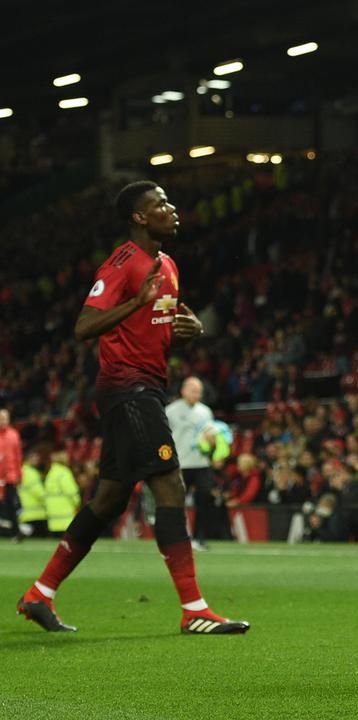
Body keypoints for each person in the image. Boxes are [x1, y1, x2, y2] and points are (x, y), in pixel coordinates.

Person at [16, 181, 249, 635]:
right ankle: (194, 609)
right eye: (160, 204)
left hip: (147, 386)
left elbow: (162, 325)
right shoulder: (121, 265)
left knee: (108, 500)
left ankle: (39, 594)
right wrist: (134, 302)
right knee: (169, 485)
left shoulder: (168, 264)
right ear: (139, 218)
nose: (172, 209)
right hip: (128, 388)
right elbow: (84, 326)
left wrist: (191, 329)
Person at [165, 376, 215, 550]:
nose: (197, 394)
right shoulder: (171, 411)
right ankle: (176, 537)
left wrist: (212, 442)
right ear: (183, 390)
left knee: (205, 497)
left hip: (201, 462)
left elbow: (211, 436)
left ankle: (199, 537)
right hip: (180, 464)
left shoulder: (205, 412)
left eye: (199, 391)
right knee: (176, 502)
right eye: (194, 390)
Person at [0, 408, 24, 539]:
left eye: (4, 418)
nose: (2, 420)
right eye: (0, 418)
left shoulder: (13, 435)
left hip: (10, 476)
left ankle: (15, 531)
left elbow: (18, 456)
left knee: (11, 504)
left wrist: (20, 475)